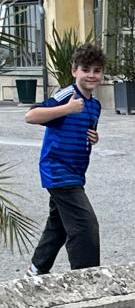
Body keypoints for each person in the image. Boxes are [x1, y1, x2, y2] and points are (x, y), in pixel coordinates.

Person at [25, 43, 106, 276]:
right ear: (74, 71)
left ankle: (36, 270)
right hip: (57, 171)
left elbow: (85, 131)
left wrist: (93, 137)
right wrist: (67, 108)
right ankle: (85, 277)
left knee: (58, 225)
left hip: (76, 173)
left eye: (97, 70)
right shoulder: (67, 95)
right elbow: (31, 115)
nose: (91, 75)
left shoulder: (95, 105)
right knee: (84, 225)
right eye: (85, 69)